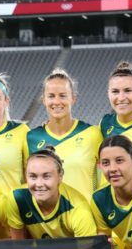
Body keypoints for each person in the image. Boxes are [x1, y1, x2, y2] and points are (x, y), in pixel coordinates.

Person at [24, 68, 101, 199]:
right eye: (51, 96)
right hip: (46, 218)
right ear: (44, 100)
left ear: (73, 99)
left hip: (84, 216)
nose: (57, 102)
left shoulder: (92, 134)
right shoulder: (31, 138)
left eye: (63, 95)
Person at [6, 146, 97, 239]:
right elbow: (18, 247)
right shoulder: (17, 199)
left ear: (60, 176)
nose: (39, 184)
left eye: (46, 176)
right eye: (33, 176)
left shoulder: (79, 210)